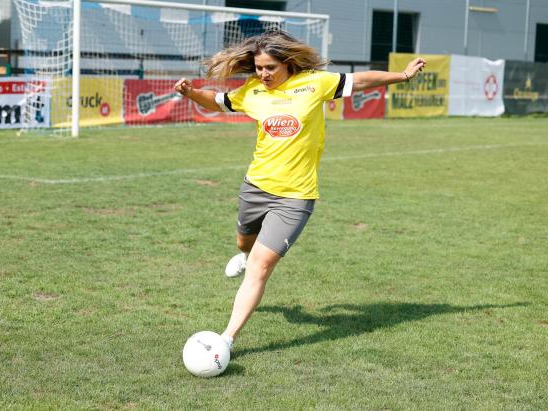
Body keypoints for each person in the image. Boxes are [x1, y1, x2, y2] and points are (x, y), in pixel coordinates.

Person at [174, 30, 426, 350]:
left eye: (270, 68)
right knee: (243, 243)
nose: (263, 74)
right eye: (259, 67)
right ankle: (242, 253)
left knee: (260, 267)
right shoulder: (252, 91)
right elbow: (218, 101)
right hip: (255, 187)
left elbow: (360, 80)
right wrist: (192, 92)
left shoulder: (314, 83)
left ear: (288, 64)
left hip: (295, 196)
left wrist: (402, 76)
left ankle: (226, 339)